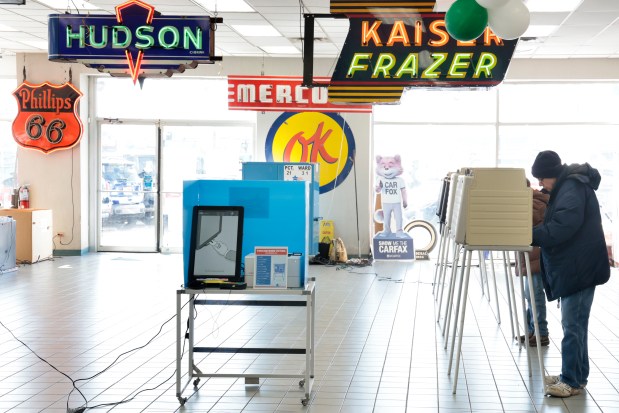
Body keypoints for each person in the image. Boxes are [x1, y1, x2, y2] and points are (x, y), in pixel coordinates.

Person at [531, 150, 610, 398]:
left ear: (551, 175)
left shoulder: (572, 188)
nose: (540, 184)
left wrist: (529, 235)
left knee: (572, 326)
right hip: (578, 266)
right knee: (576, 325)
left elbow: (561, 228)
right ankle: (576, 375)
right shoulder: (566, 187)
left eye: (542, 179)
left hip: (580, 268)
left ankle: (571, 380)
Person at [518, 180, 550, 347]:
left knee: (535, 295)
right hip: (530, 257)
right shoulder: (531, 200)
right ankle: (532, 330)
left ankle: (541, 333)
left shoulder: (535, 202)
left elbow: (527, 220)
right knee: (529, 295)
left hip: (536, 258)